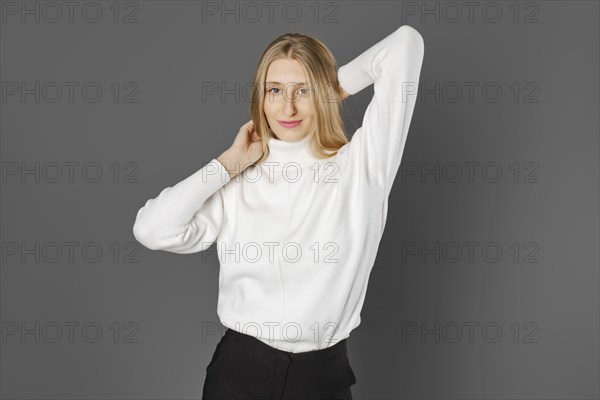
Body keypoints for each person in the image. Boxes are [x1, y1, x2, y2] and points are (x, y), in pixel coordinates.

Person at [132, 24, 424, 400]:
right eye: (275, 91)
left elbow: (404, 45)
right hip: (240, 374)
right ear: (261, 97)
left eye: (303, 90)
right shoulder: (236, 181)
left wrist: (330, 91)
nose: (288, 107)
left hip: (324, 379)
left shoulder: (364, 166)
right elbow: (152, 230)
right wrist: (227, 164)